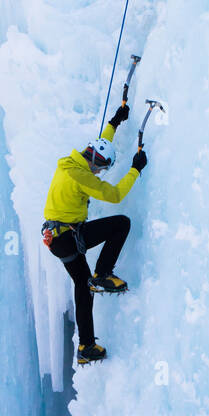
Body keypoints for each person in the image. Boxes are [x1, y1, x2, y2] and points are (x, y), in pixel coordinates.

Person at [42, 103, 147, 365]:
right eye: (101, 170)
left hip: (57, 239)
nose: (99, 173)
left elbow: (100, 145)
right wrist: (136, 169)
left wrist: (115, 121)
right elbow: (115, 195)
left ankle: (86, 346)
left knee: (82, 285)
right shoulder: (82, 175)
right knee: (121, 223)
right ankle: (103, 273)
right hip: (66, 237)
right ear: (96, 164)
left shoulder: (72, 160)